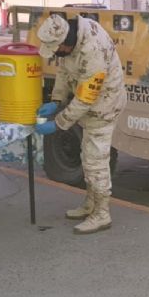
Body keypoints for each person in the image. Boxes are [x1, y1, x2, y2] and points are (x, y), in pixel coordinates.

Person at [34, 13, 127, 234]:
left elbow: (87, 97)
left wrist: (58, 123)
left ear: (65, 43)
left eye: (57, 50)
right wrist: (56, 100)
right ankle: (90, 203)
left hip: (104, 108)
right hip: (93, 107)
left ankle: (102, 214)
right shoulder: (72, 38)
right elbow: (64, 70)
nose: (56, 54)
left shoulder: (92, 50)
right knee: (87, 156)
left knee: (96, 161)